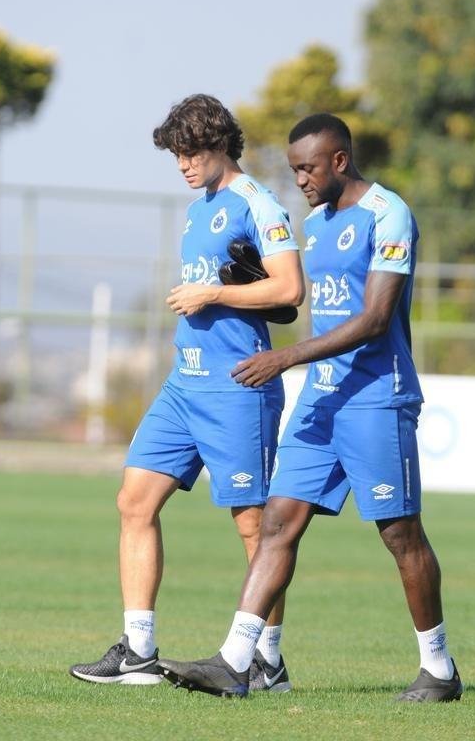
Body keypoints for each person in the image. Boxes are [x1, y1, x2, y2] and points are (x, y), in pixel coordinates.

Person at [157, 113, 463, 702]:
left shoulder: (388, 214)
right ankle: (237, 660)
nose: (298, 179)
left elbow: (374, 320)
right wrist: (245, 291)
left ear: (339, 161)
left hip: (376, 396)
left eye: (307, 168)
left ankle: (439, 669)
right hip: (322, 397)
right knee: (277, 522)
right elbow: (302, 305)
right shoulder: (317, 223)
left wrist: (285, 357)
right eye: (295, 168)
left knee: (400, 534)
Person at [69, 94, 305, 688]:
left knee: (256, 528)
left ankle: (266, 659)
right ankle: (138, 652)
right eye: (177, 154)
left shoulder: (258, 202)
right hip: (184, 384)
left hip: (237, 387)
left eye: (192, 151)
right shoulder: (201, 209)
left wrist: (213, 294)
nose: (183, 163)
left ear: (221, 143)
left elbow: (290, 288)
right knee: (134, 501)